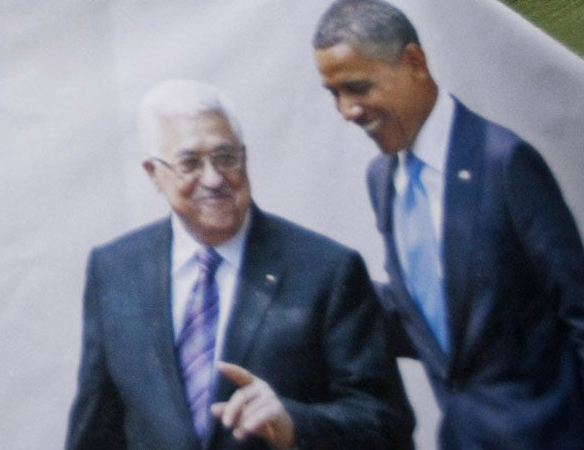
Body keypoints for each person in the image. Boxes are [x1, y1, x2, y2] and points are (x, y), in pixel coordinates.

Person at [311, 0, 584, 449]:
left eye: (358, 88)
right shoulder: (383, 179)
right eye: (334, 94)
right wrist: (313, 289)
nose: (346, 111)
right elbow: (435, 321)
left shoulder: (505, 164)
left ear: (414, 62)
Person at [67, 80, 413, 450]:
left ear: (244, 158)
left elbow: (386, 425)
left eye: (226, 157)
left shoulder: (326, 271)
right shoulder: (116, 271)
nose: (214, 179)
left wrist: (295, 424)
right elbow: (95, 429)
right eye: (190, 163)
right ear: (154, 174)